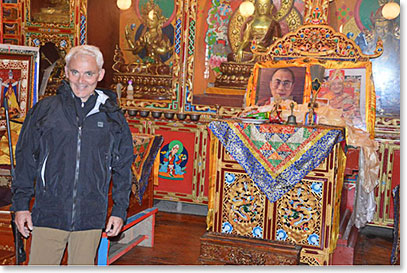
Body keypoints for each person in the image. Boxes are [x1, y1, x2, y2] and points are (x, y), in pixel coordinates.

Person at [11, 45, 134, 265]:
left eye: (89, 73)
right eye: (75, 72)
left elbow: (123, 166)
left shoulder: (110, 116)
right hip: (49, 213)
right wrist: (20, 206)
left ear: (100, 75)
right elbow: (25, 159)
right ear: (66, 72)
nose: (81, 80)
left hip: (90, 217)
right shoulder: (45, 110)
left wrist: (119, 210)